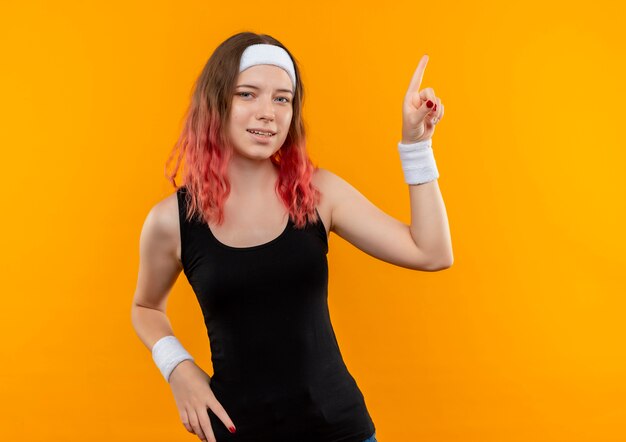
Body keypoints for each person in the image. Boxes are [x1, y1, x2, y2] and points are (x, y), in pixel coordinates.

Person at [131, 31, 452, 442]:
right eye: (248, 94)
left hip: (341, 431)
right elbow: (145, 307)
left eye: (282, 98)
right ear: (215, 103)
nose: (268, 112)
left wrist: (416, 146)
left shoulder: (318, 194)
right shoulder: (171, 221)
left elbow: (431, 252)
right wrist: (178, 367)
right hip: (238, 431)